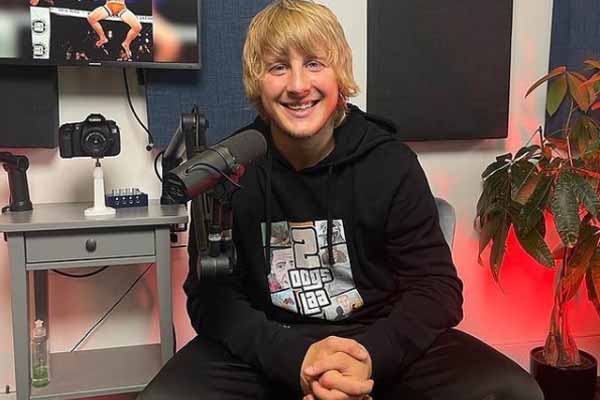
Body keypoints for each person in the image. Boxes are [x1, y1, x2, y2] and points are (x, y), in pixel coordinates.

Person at [139, 1, 545, 399]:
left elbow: (437, 289)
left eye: (314, 63)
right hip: (272, 344)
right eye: (278, 67)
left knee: (513, 392)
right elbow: (212, 300)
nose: (298, 85)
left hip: (378, 337)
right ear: (257, 82)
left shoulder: (389, 162)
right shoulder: (229, 170)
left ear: (340, 75)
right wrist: (295, 359)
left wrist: (368, 357)